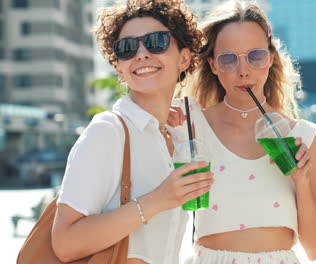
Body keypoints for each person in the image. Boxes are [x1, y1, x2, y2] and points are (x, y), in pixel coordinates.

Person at [170, 1, 316, 263]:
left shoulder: (302, 137)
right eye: (228, 59)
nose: (244, 70)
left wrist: (301, 181)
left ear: (270, 58)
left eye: (255, 56)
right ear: (213, 65)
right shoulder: (190, 127)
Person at [51, 1, 213, 264]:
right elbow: (65, 243)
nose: (141, 54)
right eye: (126, 48)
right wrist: (158, 200)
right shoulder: (107, 132)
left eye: (156, 42)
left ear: (184, 58)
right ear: (119, 68)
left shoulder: (176, 138)